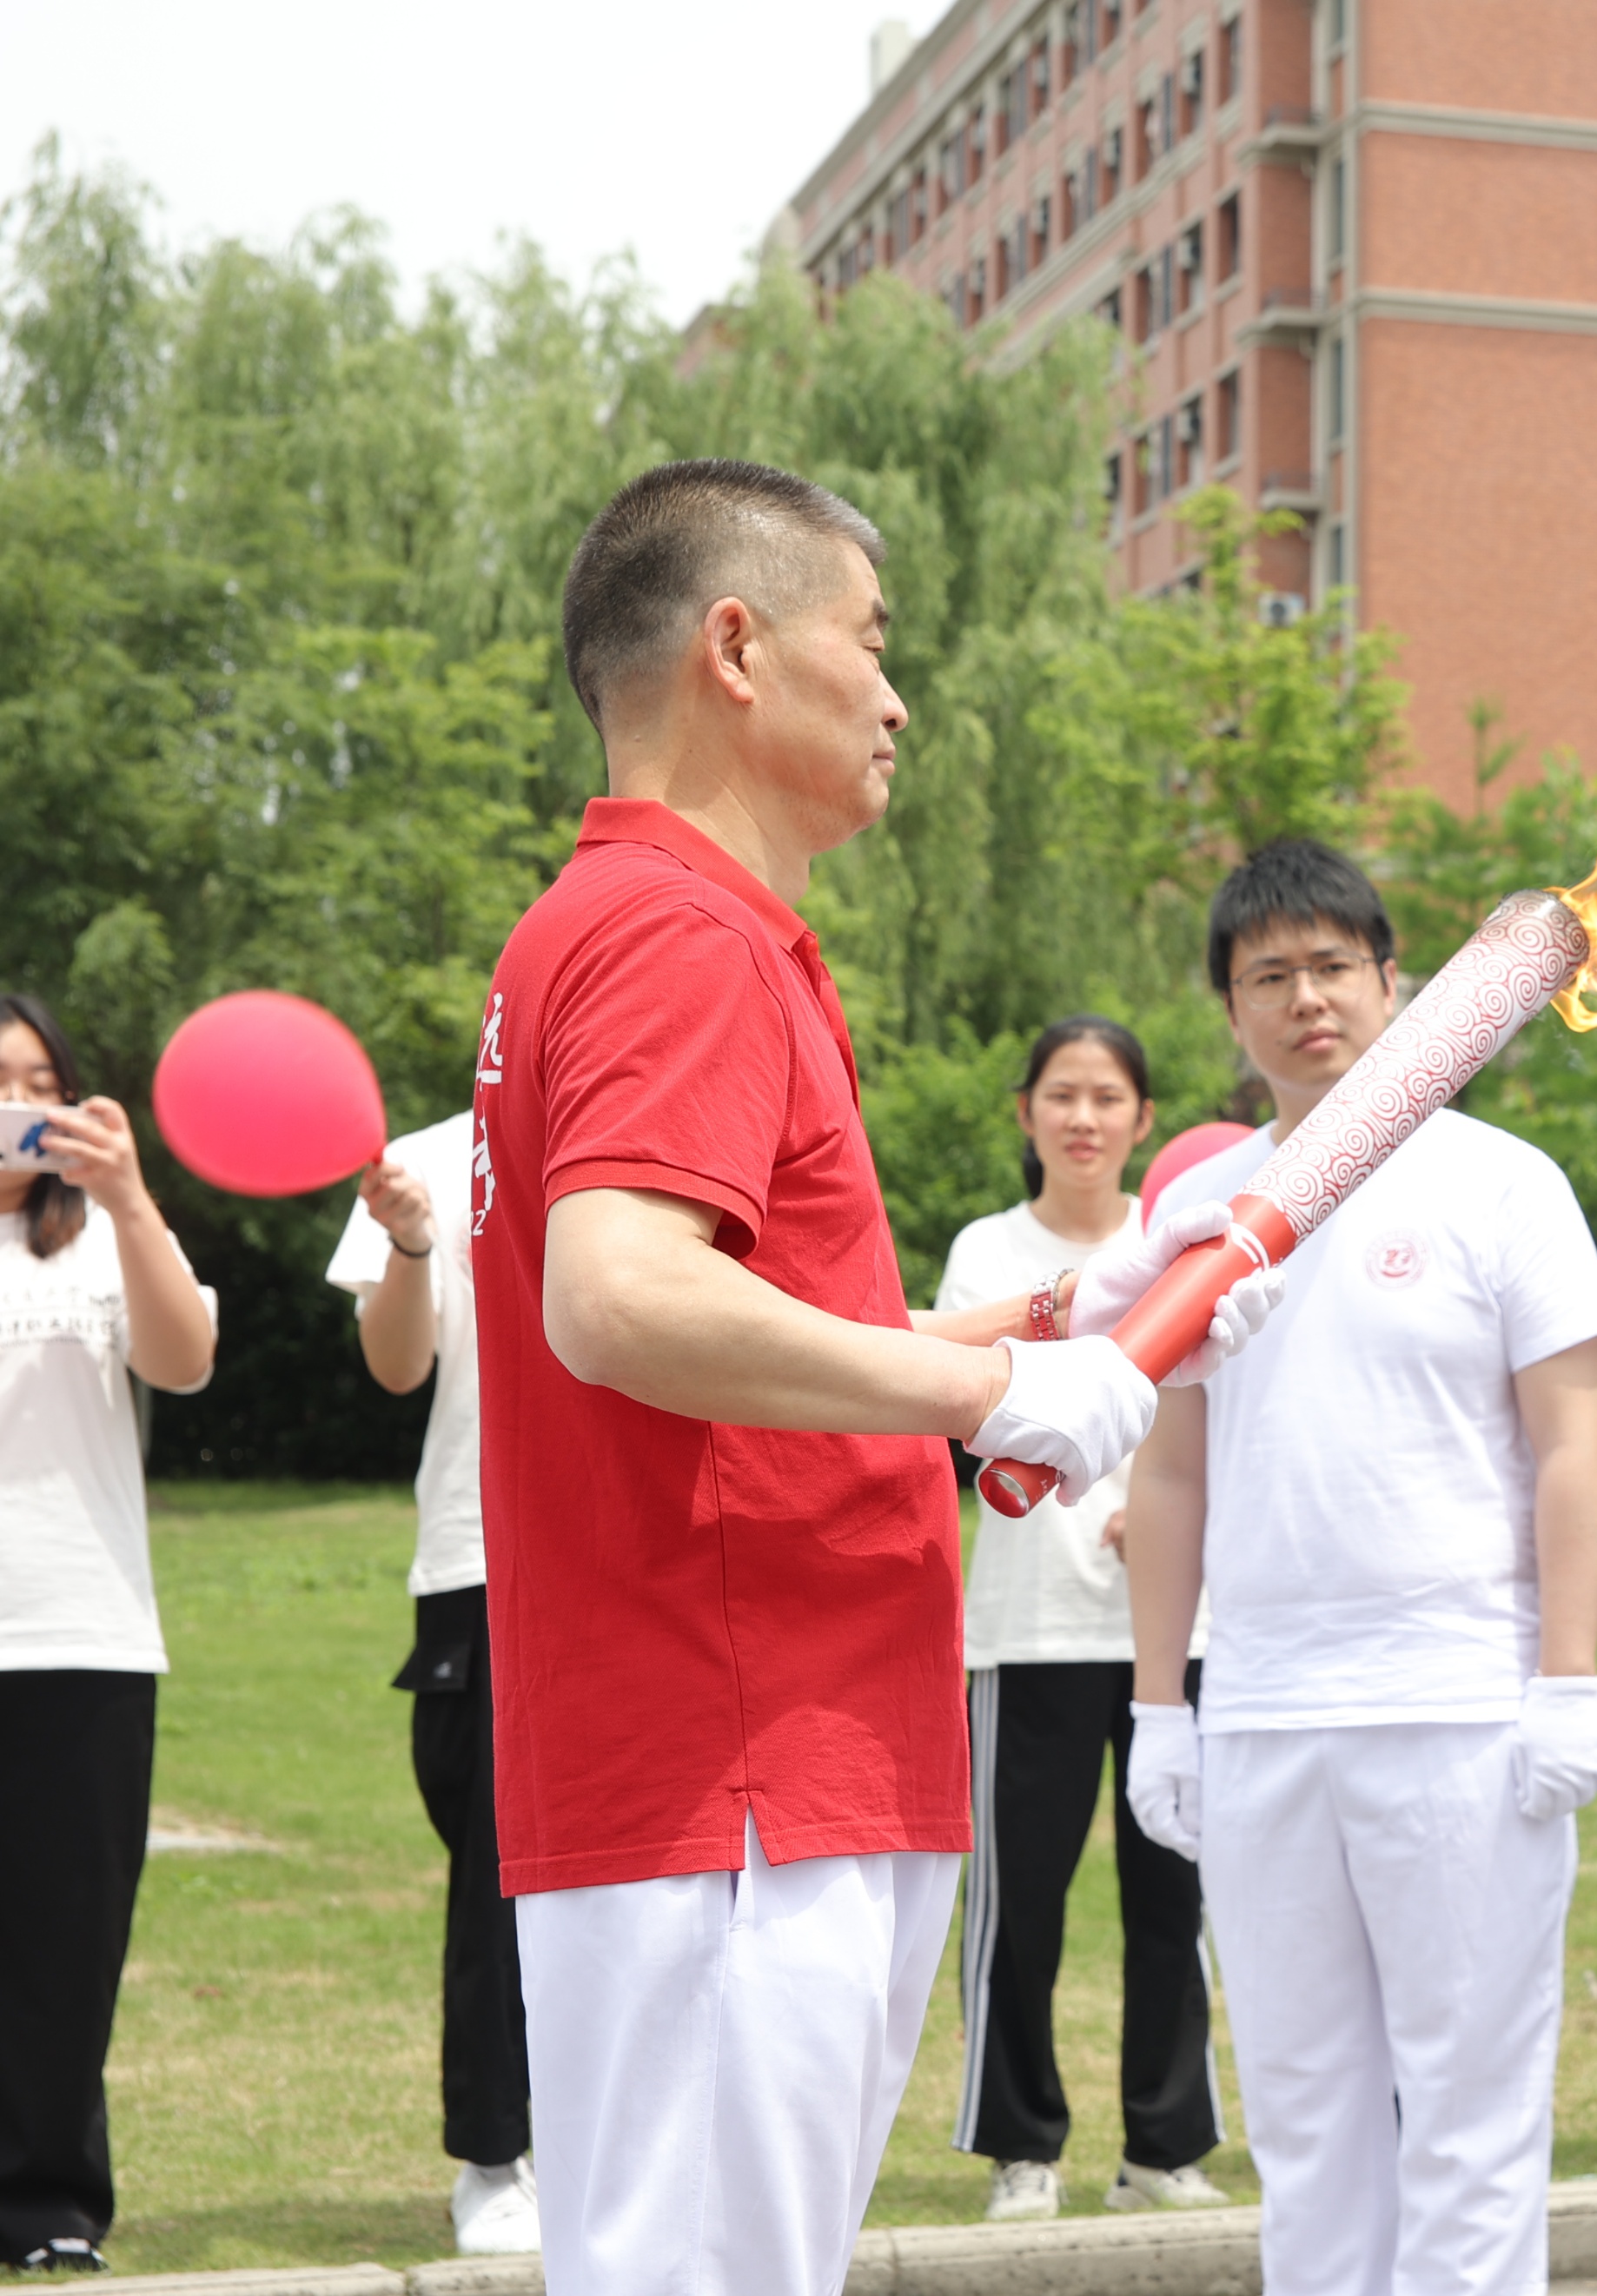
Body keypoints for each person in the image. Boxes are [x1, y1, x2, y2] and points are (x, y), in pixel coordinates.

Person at [475, 460, 1269, 2296]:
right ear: (737, 649)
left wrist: (953, 1345)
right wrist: (974, 1404)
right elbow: (614, 1298)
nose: (901, 694)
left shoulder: (649, 926)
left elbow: (686, 1315)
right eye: (874, 638)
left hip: (750, 1752)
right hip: (739, 1762)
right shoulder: (679, 933)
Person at [1120, 838, 1597, 2296]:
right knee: (1306, 2115)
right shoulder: (1199, 1214)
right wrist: (1164, 1703)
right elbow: (1171, 1465)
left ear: (1396, 980)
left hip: (1463, 1708)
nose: (1307, 998)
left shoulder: (1506, 1186)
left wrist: (1567, 1676)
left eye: (1334, 964)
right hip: (1270, 1712)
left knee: (1468, 2116)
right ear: (1230, 1011)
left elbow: (1570, 1452)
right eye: (1268, 974)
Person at [935, 1017, 1229, 2218]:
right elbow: (967, 1409)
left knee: (1177, 1894)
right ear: (1027, 1113)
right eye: (1062, 1094)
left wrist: (1149, 1522)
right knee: (1022, 1897)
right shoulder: (984, 1254)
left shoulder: (1182, 1248)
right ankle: (1022, 2143)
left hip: (1171, 1632)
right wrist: (1101, 1503)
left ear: (1142, 1117)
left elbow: (1213, 1414)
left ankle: (1165, 2145)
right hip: (1029, 1626)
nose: (1084, 1117)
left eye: (1108, 1096)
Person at [0, 991, 219, 2277]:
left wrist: (133, 1197)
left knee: (65, 1943)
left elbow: (185, 1360)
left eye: (40, 1081)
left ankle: (50, 2205)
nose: (19, 1104)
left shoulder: (98, 1239)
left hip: (83, 1635)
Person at [328, 1105, 540, 2254]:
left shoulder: (679, 1125)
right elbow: (396, 1364)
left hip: (646, 1556)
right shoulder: (428, 1156)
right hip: (487, 1555)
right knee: (498, 1870)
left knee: (654, 1868)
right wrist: (412, 1244)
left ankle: (606, 2134)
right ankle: (495, 2155)